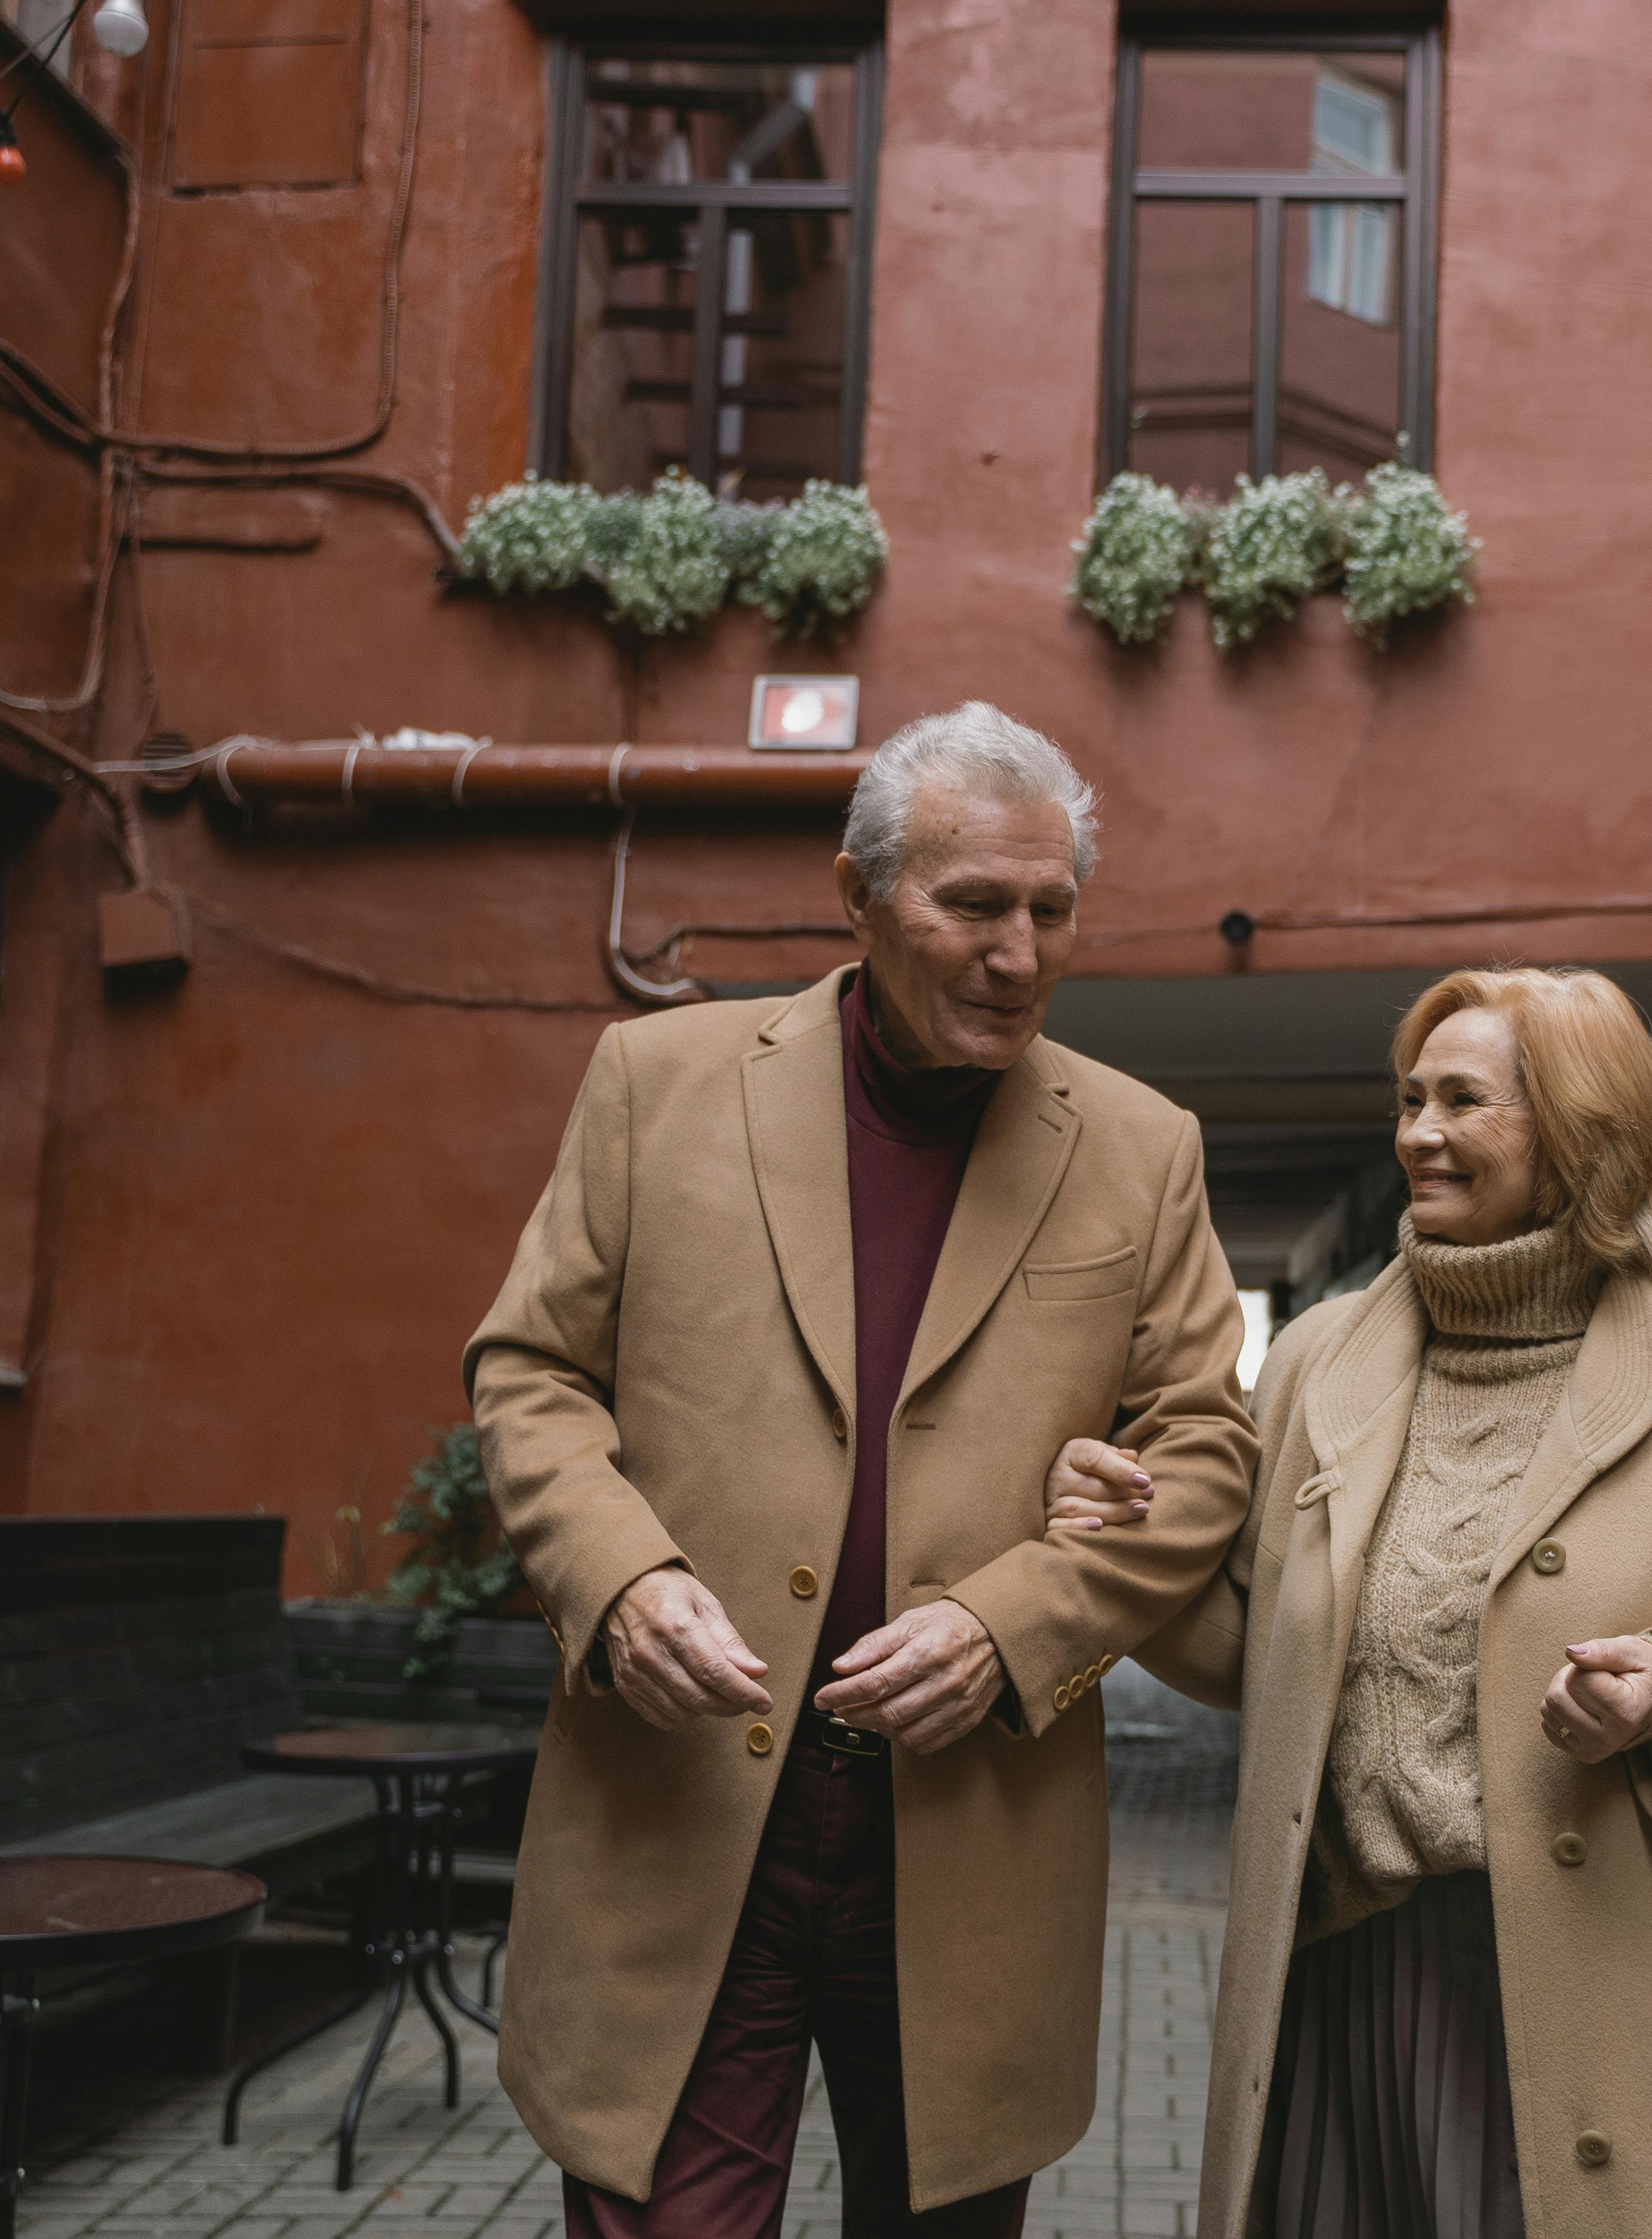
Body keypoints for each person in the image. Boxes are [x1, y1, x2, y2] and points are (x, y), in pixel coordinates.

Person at [467, 701, 1257, 2239]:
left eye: (1049, 910)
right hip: (683, 1806)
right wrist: (619, 1580)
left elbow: (1205, 1442)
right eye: (974, 904)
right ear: (858, 894)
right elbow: (530, 1371)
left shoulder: (1142, 1145)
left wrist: (1011, 1623)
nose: (1016, 952)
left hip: (970, 1836)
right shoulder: (653, 1080)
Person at [1048, 965, 1652, 2239]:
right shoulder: (1315, 1360)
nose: (1418, 1133)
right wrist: (1131, 1555)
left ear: (1582, 1130)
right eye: (1410, 1100)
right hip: (1354, 1971)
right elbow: (1267, 1649)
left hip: (1627, 1983)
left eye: (1463, 1101)